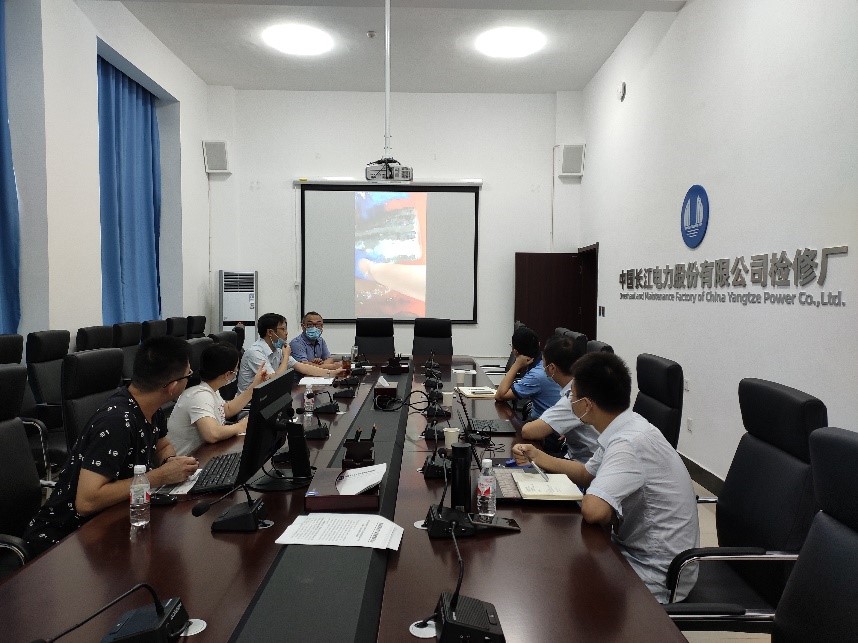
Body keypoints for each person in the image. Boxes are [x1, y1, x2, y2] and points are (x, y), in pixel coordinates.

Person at [512, 351, 699, 603]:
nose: (569, 401)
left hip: (656, 573)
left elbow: (594, 511)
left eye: (572, 396)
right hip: (636, 552)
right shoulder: (626, 425)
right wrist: (538, 456)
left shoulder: (628, 443)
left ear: (587, 405)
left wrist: (604, 503)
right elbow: (586, 473)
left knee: (554, 585)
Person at [23, 336, 200, 555]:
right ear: (172, 387)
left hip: (116, 517)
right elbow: (87, 501)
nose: (189, 378)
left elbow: (162, 447)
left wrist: (171, 463)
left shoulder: (151, 407)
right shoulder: (117, 422)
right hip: (66, 539)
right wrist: (160, 476)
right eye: (188, 375)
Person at [168, 343, 266, 455]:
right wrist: (241, 426)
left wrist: (255, 385)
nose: (237, 371)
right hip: (186, 459)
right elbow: (212, 434)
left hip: (202, 453)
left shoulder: (210, 388)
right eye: (236, 368)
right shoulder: (199, 396)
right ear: (228, 374)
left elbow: (226, 410)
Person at [520, 334, 600, 463]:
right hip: (578, 456)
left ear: (551, 368)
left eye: (543, 362)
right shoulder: (585, 384)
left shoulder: (573, 398)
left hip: (586, 465)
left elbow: (528, 431)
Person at [236, 312, 344, 394]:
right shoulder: (255, 353)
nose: (287, 333)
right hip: (249, 405)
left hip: (270, 398)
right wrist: (286, 356)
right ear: (270, 332)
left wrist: (333, 373)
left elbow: (303, 367)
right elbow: (274, 381)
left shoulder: (277, 349)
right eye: (283, 329)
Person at [494, 325, 560, 420]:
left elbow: (500, 396)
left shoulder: (537, 375)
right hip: (544, 419)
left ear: (515, 351)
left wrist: (516, 365)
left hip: (545, 425)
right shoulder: (543, 363)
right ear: (539, 344)